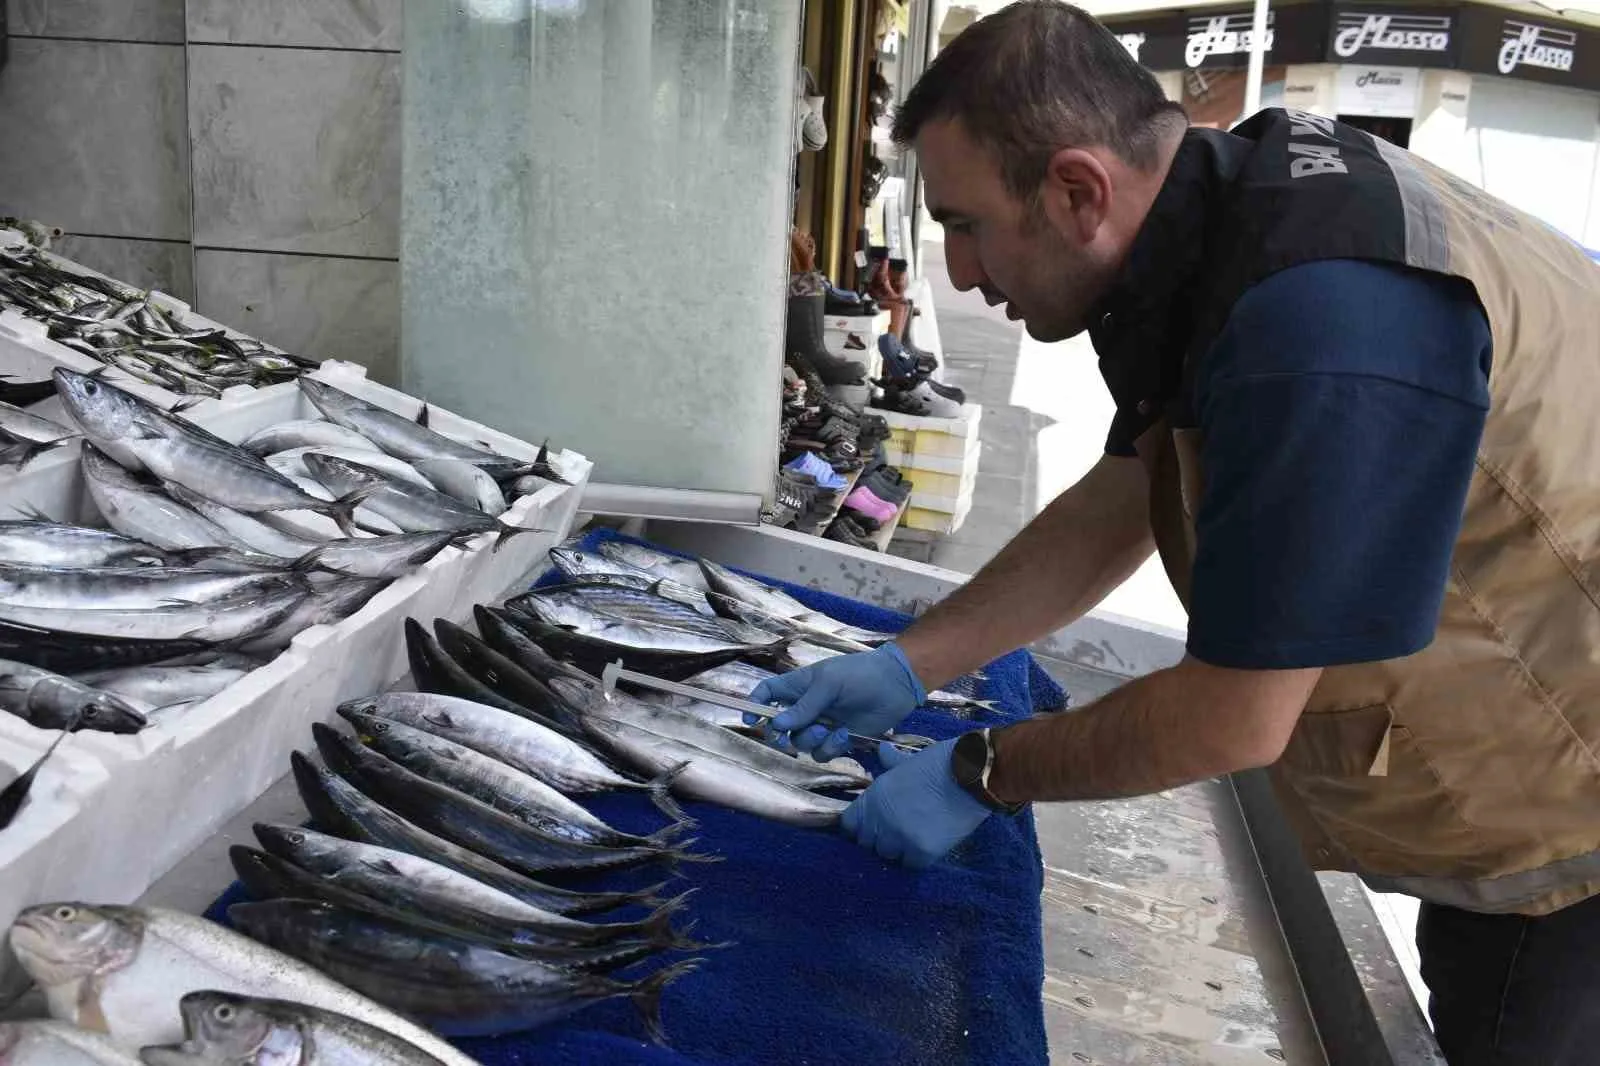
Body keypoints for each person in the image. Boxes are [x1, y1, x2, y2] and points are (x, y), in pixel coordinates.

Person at [748, 3, 1600, 1063]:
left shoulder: (1321, 330)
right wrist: (911, 661)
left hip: (1574, 826)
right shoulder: (1221, 224)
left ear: (1076, 190)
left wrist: (980, 769)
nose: (959, 274)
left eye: (964, 225)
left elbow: (1233, 719)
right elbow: (1133, 488)